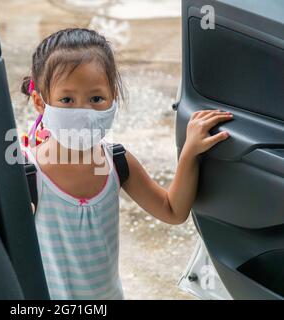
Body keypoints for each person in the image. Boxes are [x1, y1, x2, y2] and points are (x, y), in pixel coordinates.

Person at [20, 28, 233, 300]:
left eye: (96, 99)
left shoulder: (117, 162)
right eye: (67, 100)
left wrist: (189, 152)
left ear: (113, 99)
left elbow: (172, 211)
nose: (83, 112)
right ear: (41, 102)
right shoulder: (28, 175)